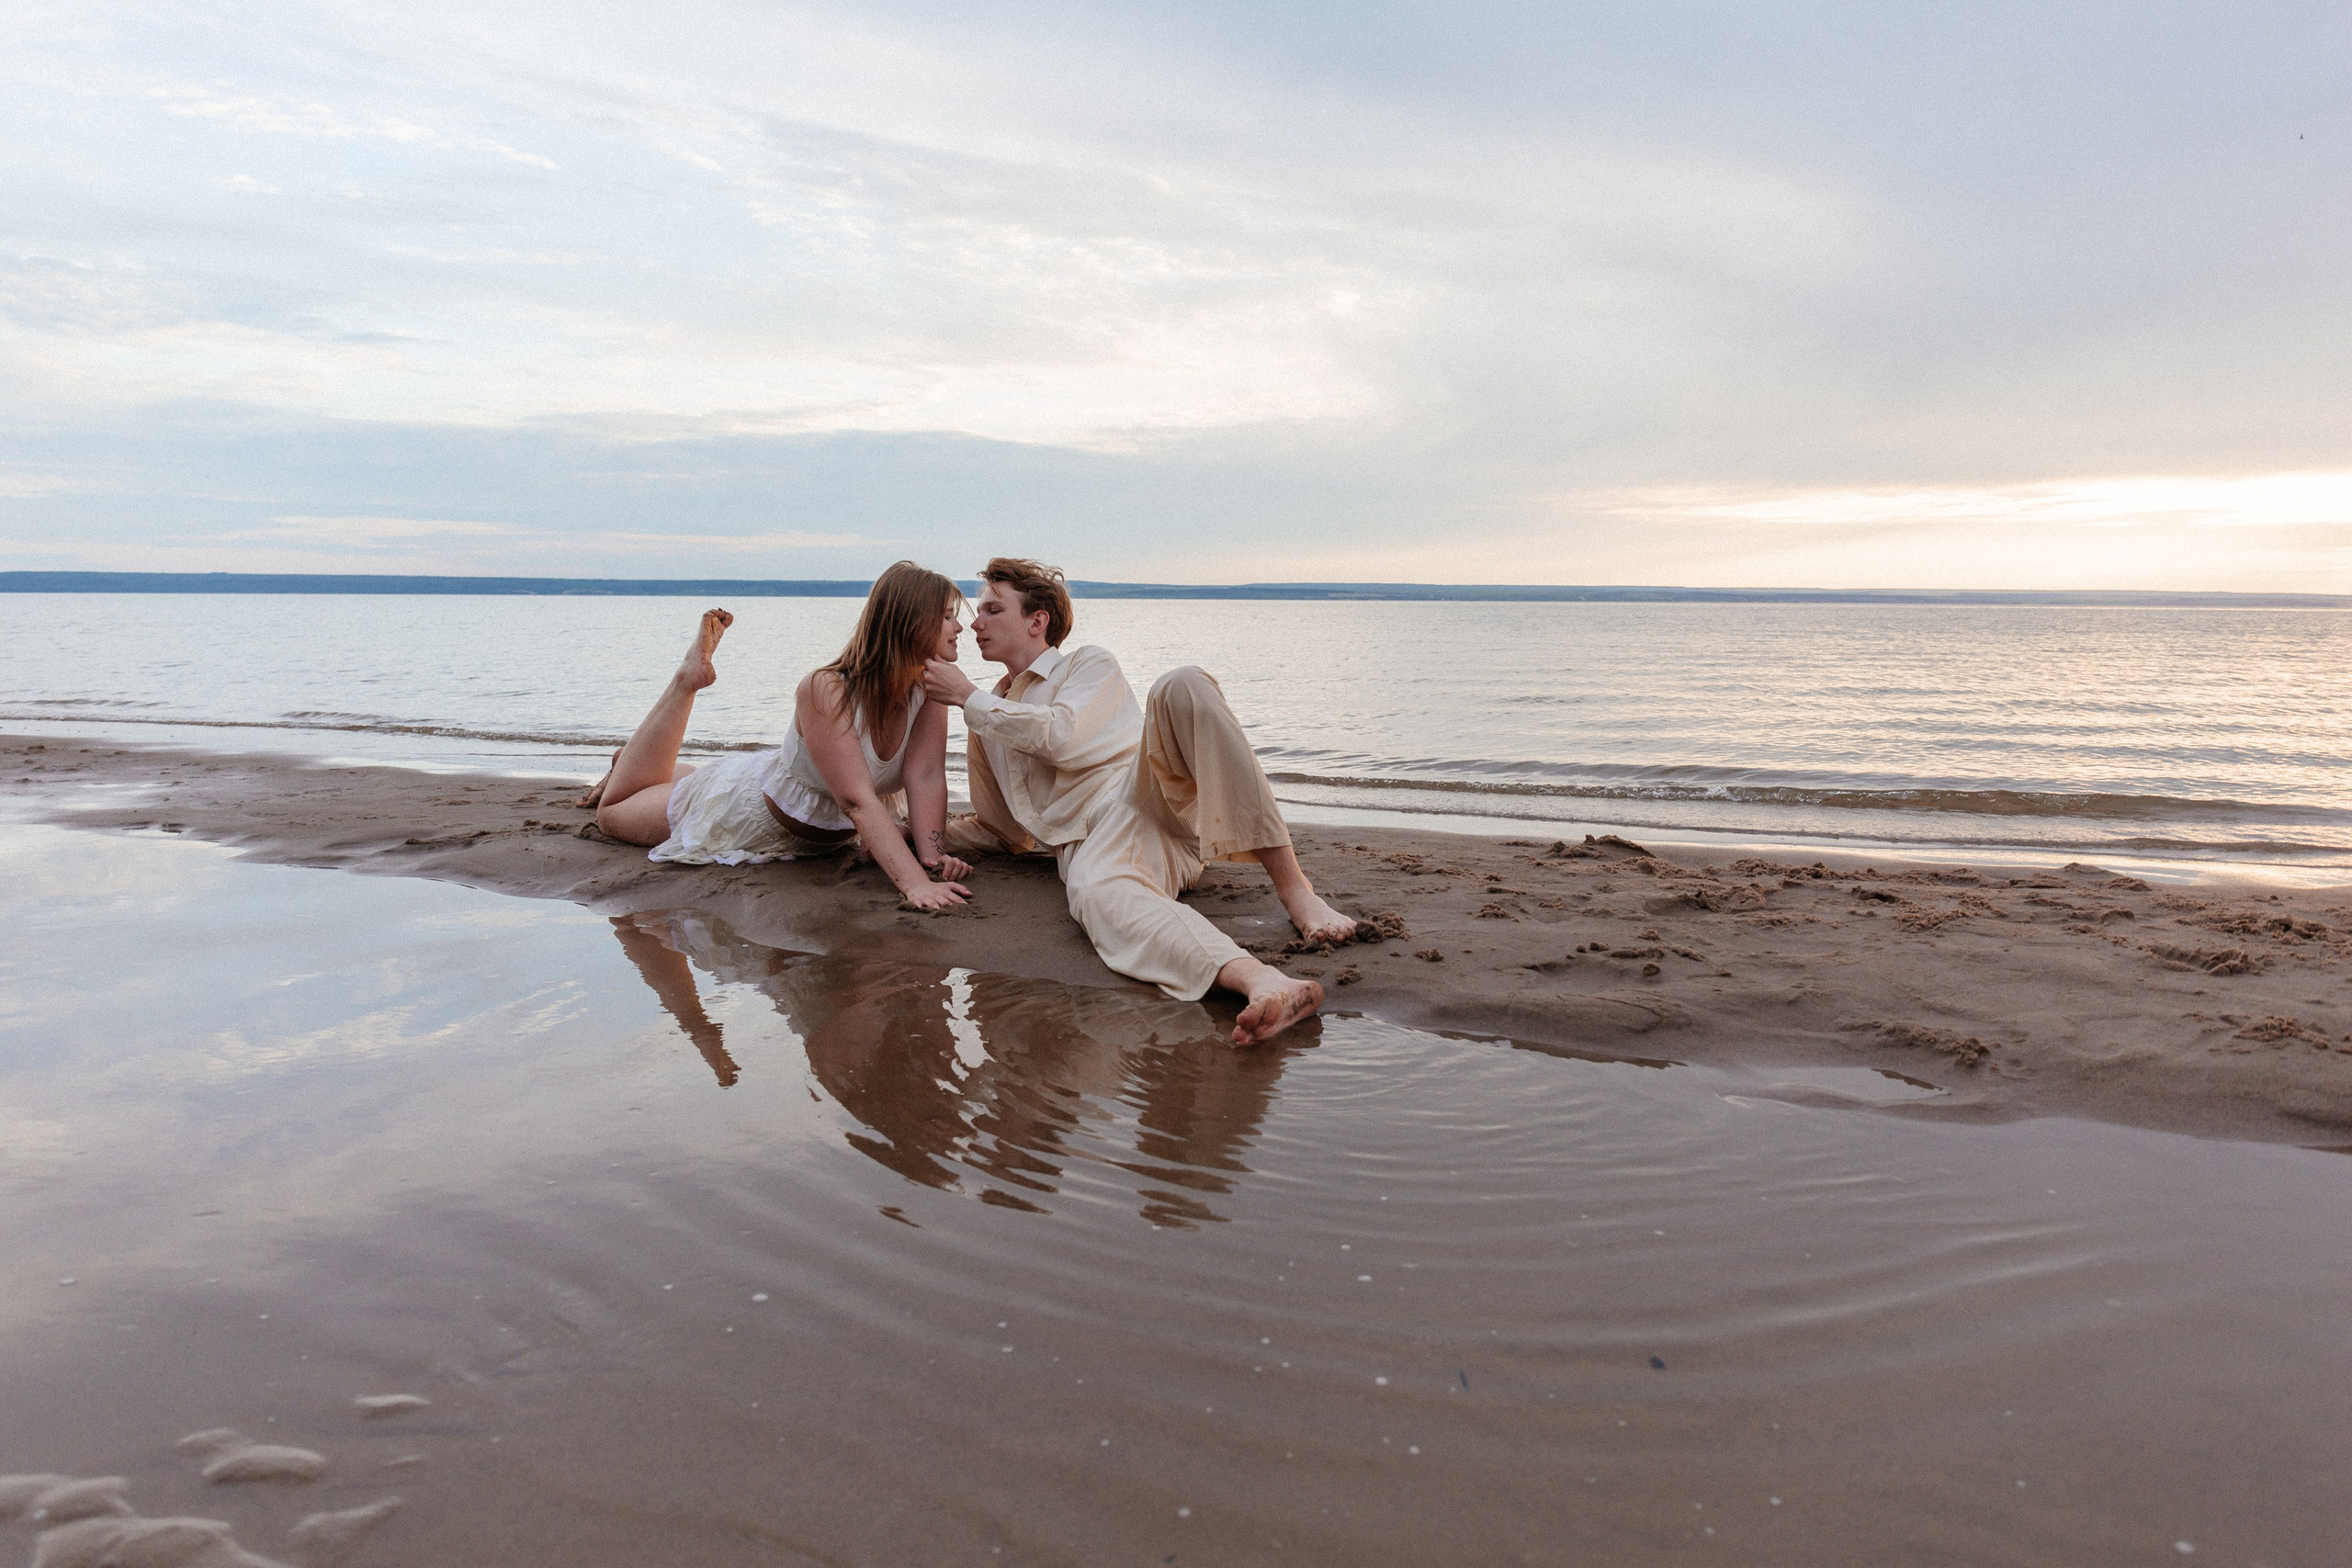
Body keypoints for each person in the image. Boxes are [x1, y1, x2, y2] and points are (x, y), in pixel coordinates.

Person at [922, 558, 1355, 1045]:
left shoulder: (1087, 665)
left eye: (992, 610)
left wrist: (968, 698)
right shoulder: (985, 721)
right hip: (1100, 845)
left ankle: (1298, 893)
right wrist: (915, 835)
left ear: (1036, 621)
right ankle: (1264, 982)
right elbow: (1005, 829)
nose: (975, 623)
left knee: (1183, 682)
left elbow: (1061, 737)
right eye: (977, 612)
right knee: (1091, 891)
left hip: (1146, 792)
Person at [587, 561, 974, 911]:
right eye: (946, 617)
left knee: (663, 782)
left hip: (807, 821)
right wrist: (915, 886)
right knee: (612, 813)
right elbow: (857, 800)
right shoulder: (826, 689)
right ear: (909, 621)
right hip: (741, 815)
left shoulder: (927, 692)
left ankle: (640, 762)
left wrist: (933, 860)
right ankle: (688, 680)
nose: (958, 628)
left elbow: (925, 778)